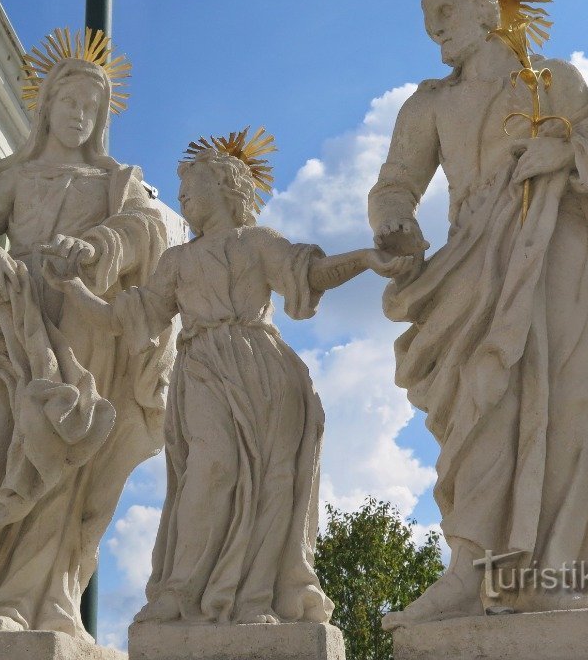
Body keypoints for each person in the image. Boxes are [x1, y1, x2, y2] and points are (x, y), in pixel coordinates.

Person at [369, 0, 588, 627]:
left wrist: (568, 151)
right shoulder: (429, 105)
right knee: (482, 404)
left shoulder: (554, 81)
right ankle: (471, 569)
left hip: (565, 251)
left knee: (573, 403)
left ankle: (558, 574)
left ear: (485, 9)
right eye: (427, 20)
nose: (434, 28)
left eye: (443, 12)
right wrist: (393, 225)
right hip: (477, 266)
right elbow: (395, 186)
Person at [44, 137, 411, 625]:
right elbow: (126, 318)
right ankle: (181, 591)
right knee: (211, 468)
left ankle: (258, 597)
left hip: (265, 370)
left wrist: (365, 258)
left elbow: (311, 273)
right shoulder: (175, 262)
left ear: (222, 185)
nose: (182, 199)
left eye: (190, 188)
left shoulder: (258, 242)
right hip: (202, 370)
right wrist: (71, 287)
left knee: (275, 480)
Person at [0, 50, 174, 639]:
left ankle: (28, 601)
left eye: (92, 107)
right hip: (1, 324)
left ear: (102, 117)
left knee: (57, 464)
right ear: (47, 106)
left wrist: (98, 244)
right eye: (71, 102)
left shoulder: (114, 182)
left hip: (74, 333)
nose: (80, 114)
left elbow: (149, 229)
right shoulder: (18, 178)